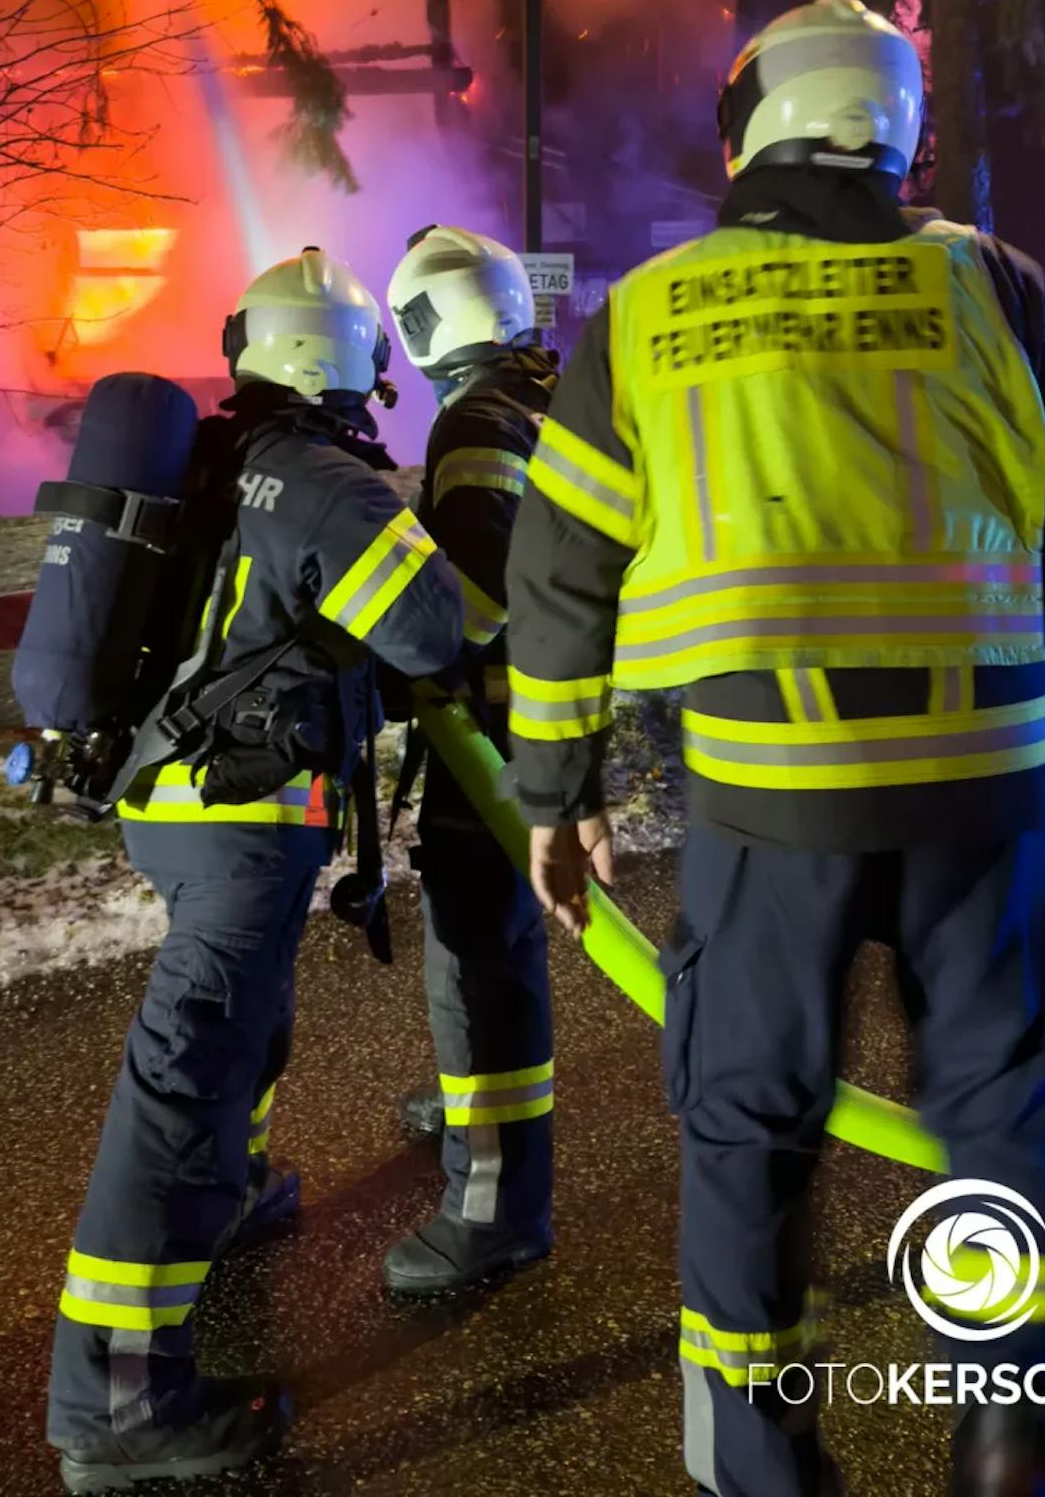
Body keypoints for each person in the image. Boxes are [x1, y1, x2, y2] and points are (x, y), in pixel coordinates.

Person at [505, 0, 1045, 1497]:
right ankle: (1013, 1423)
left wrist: (558, 789)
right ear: (899, 124)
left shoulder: (653, 315)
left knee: (749, 1114)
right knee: (994, 1098)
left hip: (765, 790)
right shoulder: (999, 283)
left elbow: (558, 574)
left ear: (750, 126)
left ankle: (756, 1441)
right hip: (989, 783)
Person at [47, 247, 465, 1493]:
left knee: (245, 1028)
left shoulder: (216, 461)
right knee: (182, 1079)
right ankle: (113, 1406)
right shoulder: (326, 478)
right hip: (240, 820)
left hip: (171, 804)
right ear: (351, 362)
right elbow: (430, 627)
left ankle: (223, 1198)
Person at [378, 224, 560, 1293]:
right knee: (494, 944)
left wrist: (386, 633)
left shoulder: (474, 421)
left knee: (475, 957)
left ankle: (490, 1207)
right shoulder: (537, 393)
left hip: (486, 734)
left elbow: (472, 605)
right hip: (533, 722)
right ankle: (472, 1099)